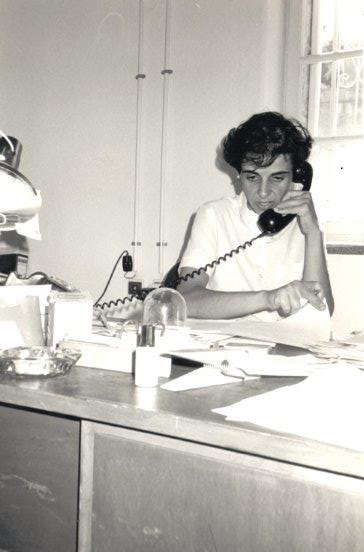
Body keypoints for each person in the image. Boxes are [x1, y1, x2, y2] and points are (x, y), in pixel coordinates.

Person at [177, 111, 334, 321]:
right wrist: (268, 299)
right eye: (252, 177)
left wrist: (313, 233)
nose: (263, 192)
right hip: (222, 348)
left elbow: (321, 313)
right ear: (238, 175)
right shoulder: (214, 215)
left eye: (277, 178)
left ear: (296, 176)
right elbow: (186, 299)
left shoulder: (307, 222)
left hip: (281, 349)